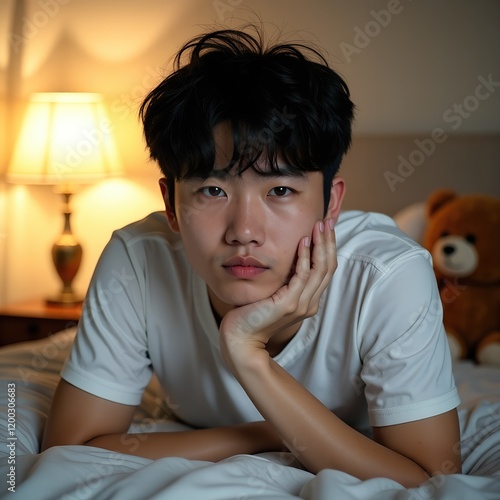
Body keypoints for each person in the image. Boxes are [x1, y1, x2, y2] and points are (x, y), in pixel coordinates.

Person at [42, 26, 462, 487]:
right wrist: (266, 432)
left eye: (280, 190)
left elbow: (429, 479)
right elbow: (70, 448)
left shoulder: (387, 275)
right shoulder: (138, 259)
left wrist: (250, 356)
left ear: (331, 203)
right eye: (212, 189)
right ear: (171, 206)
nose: (243, 231)